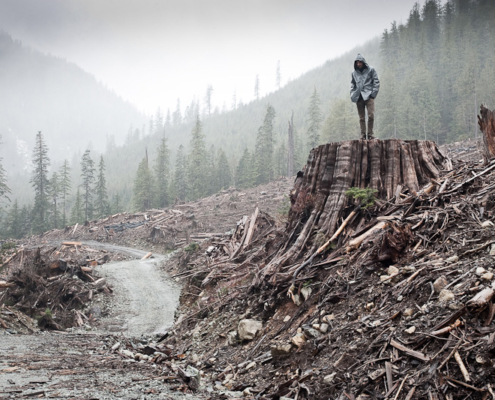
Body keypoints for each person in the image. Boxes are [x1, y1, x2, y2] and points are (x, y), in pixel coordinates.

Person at [350, 54, 380, 140]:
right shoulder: (354, 73)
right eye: (357, 63)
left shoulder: (371, 69)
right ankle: (363, 135)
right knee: (361, 117)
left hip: (369, 96)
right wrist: (353, 94)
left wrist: (373, 94)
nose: (358, 64)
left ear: (363, 62)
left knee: (371, 115)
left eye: (360, 62)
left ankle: (370, 134)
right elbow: (353, 84)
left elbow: (376, 81)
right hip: (359, 97)